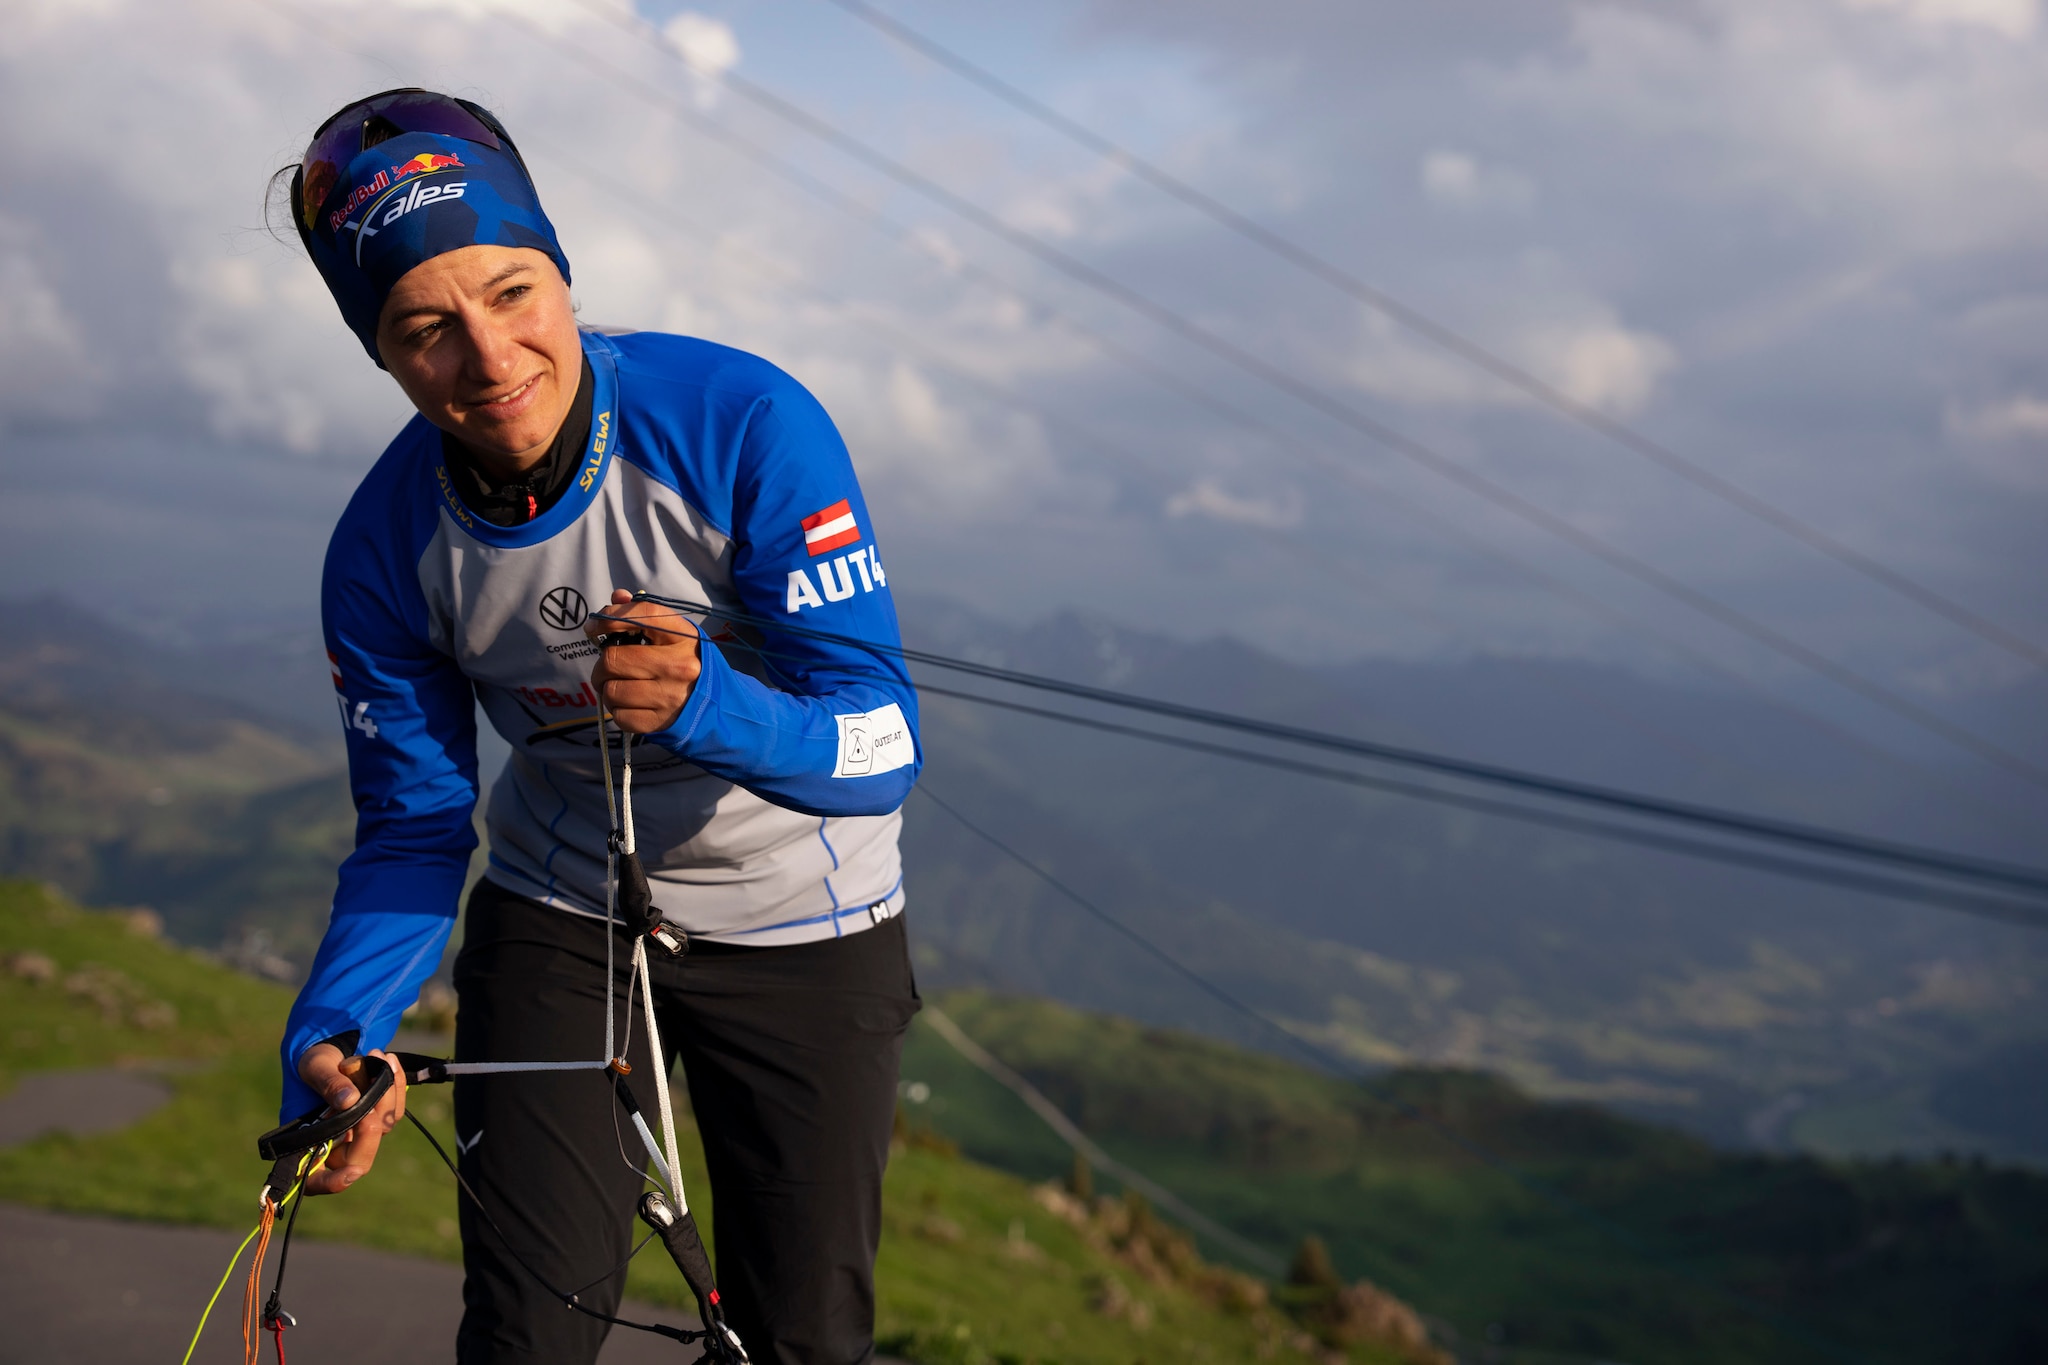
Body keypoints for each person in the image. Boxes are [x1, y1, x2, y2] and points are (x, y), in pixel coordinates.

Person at [273, 89, 922, 1365]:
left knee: (802, 1335)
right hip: (563, 915)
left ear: (561, 274)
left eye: (513, 292)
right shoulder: (381, 545)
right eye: (424, 328)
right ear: (382, 354)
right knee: (526, 1331)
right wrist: (335, 1031)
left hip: (806, 922)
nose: (488, 355)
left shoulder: (738, 419)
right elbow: (412, 826)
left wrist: (709, 707)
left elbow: (883, 744)